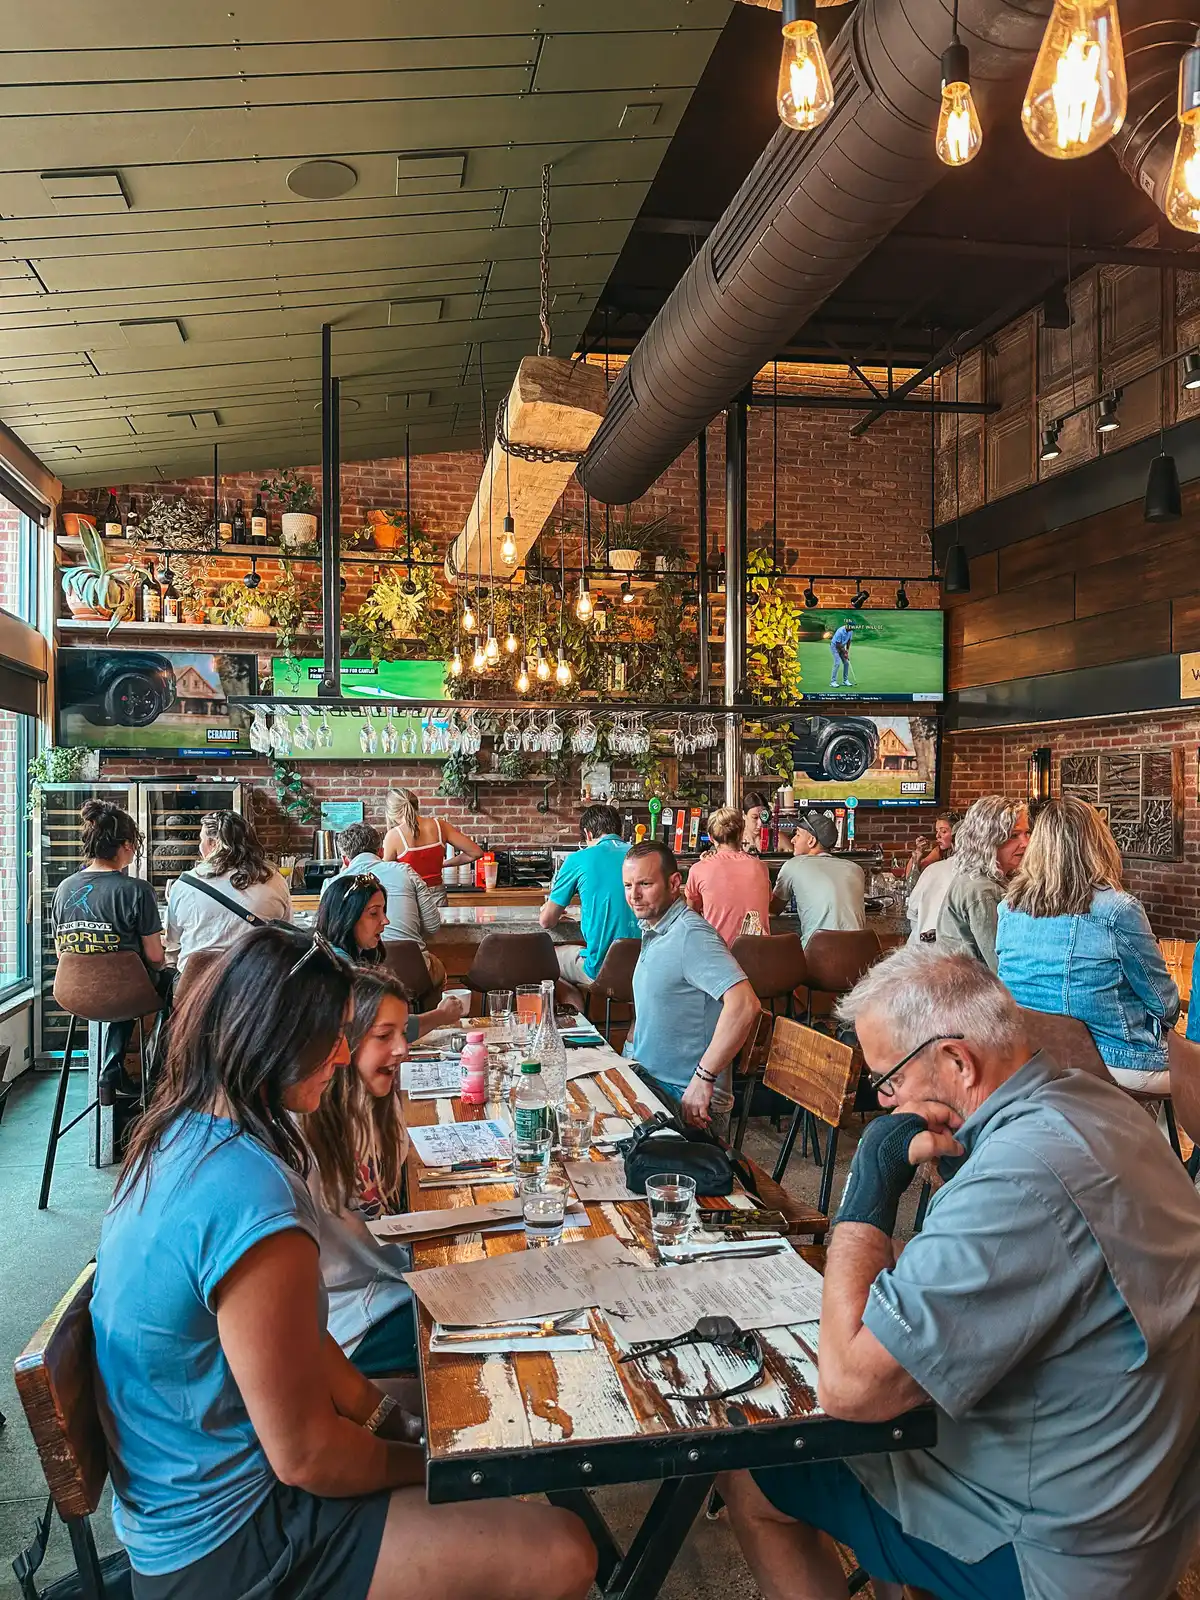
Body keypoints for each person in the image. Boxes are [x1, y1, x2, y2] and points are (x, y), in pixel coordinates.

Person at [90, 925, 596, 1600]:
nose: (340, 1051)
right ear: (270, 1037)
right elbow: (307, 1456)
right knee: (564, 1551)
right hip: (230, 1544)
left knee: (499, 1403)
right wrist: (429, 1466)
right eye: (325, 1034)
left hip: (196, 1500)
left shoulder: (182, 1133)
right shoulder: (247, 1194)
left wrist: (394, 1422)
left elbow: (304, 1348)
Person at [719, 947, 1200, 1600]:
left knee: (754, 1471)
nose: (886, 1102)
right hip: (1146, 1503)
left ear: (956, 1062)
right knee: (885, 1454)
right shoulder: (1100, 1105)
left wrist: (867, 1190)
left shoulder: (1020, 1181)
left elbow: (852, 1389)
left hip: (1059, 1551)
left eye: (887, 1081)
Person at [996, 796, 1180, 1088]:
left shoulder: (1008, 908)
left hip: (1033, 1060)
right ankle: (1146, 1132)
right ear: (1097, 843)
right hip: (1116, 1063)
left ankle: (1134, 1132)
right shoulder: (1117, 909)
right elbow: (1164, 1002)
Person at [303, 970, 418, 1378]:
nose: (403, 1048)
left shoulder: (380, 1110)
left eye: (403, 1032)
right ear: (343, 1041)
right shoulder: (308, 1129)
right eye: (383, 1035)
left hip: (386, 1285)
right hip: (345, 1320)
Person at [621, 841, 760, 1134]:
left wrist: (704, 1077)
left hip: (687, 1101)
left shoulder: (691, 935)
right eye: (628, 885)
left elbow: (745, 1004)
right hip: (651, 1083)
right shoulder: (656, 930)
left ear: (674, 884)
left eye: (645, 884)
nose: (634, 895)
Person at [51, 800, 171, 1098]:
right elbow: (156, 958)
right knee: (175, 986)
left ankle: (110, 1071)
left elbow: (61, 952)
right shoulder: (136, 890)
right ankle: (157, 1077)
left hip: (73, 993)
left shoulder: (64, 888)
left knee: (122, 989)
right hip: (127, 994)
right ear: (127, 845)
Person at [316, 876, 463, 1041]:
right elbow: (381, 1029)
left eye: (383, 911)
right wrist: (441, 1015)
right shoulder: (340, 967)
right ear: (347, 916)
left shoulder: (330, 953)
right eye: (374, 913)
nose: (385, 921)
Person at [323, 823, 445, 995]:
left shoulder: (332, 884)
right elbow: (433, 925)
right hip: (410, 971)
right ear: (380, 851)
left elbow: (330, 932)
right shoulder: (405, 872)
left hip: (356, 981)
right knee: (437, 966)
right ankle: (432, 1016)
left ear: (345, 860)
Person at [166, 811, 293, 973]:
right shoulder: (275, 880)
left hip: (197, 985)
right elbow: (286, 932)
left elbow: (173, 939)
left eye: (201, 840)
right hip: (256, 983)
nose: (200, 846)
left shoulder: (184, 885)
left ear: (213, 844)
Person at [540, 803, 640, 988]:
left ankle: (574, 1008)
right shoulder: (641, 856)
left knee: (545, 958)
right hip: (644, 969)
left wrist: (549, 909)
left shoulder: (577, 859)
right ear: (620, 831)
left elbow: (547, 921)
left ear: (587, 834)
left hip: (600, 971)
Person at [935, 796, 1030, 971]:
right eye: (1014, 836)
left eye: (1027, 833)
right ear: (988, 840)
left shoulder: (986, 877)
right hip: (971, 991)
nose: (1026, 843)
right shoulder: (982, 890)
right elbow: (1001, 967)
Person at [768, 811, 865, 946]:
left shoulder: (794, 864)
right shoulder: (855, 869)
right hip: (860, 954)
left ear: (811, 841)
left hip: (817, 955)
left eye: (797, 834)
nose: (792, 840)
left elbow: (773, 910)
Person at [684, 807, 773, 946]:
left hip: (719, 956)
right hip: (759, 958)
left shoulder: (699, 870)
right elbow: (767, 904)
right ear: (741, 833)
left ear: (711, 837)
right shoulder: (760, 867)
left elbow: (691, 915)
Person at [380, 787, 481, 902]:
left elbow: (385, 874)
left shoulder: (393, 836)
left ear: (391, 813)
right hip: (437, 896)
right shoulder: (440, 826)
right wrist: (444, 864)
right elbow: (476, 853)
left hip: (409, 898)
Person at [905, 811, 956, 884]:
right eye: (937, 831)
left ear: (957, 832)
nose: (937, 836)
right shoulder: (939, 851)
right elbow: (910, 878)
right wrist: (919, 852)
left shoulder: (968, 853)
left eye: (943, 831)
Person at [829, 619, 855, 688]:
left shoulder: (850, 631)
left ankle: (845, 681)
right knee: (837, 663)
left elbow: (849, 641)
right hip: (835, 647)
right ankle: (833, 682)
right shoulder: (840, 631)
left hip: (842, 647)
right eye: (851, 628)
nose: (852, 629)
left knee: (846, 663)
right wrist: (844, 652)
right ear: (847, 626)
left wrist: (847, 651)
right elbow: (838, 644)